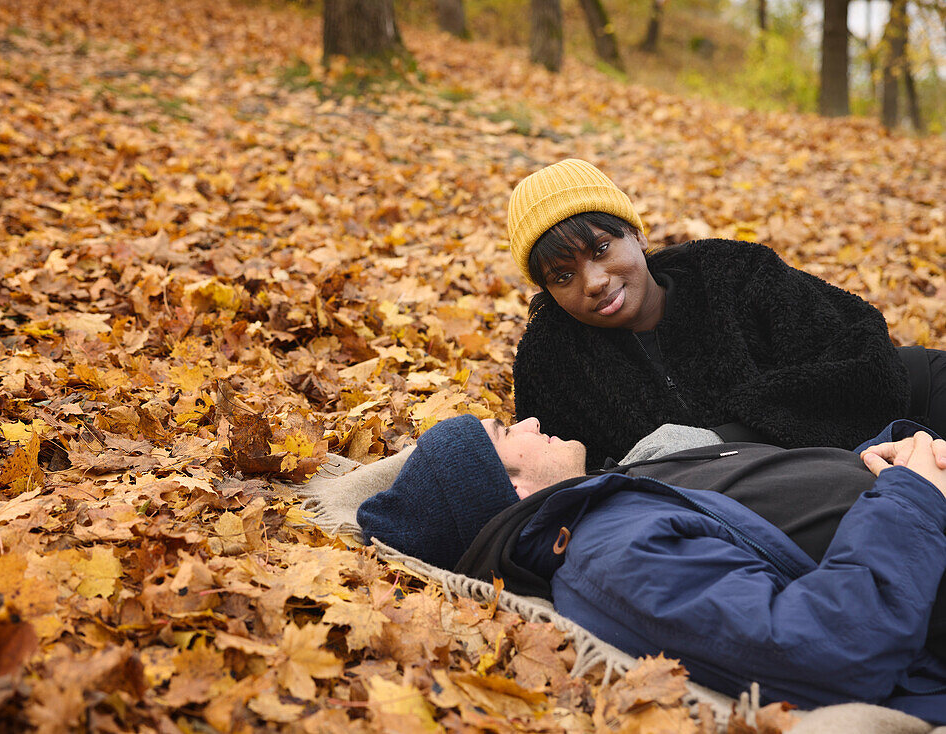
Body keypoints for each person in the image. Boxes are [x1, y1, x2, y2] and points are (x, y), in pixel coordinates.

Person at [356, 414, 946, 724]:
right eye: (508, 432)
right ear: (508, 485)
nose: (532, 423)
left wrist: (883, 454)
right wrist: (914, 499)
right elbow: (826, 647)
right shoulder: (610, 561)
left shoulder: (609, 500)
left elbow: (774, 507)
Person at [506, 159, 946, 469]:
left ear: (637, 234)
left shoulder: (730, 272)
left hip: (915, 396)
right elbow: (559, 480)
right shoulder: (552, 362)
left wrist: (721, 439)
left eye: (602, 249)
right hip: (814, 484)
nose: (595, 282)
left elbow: (864, 362)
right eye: (563, 276)